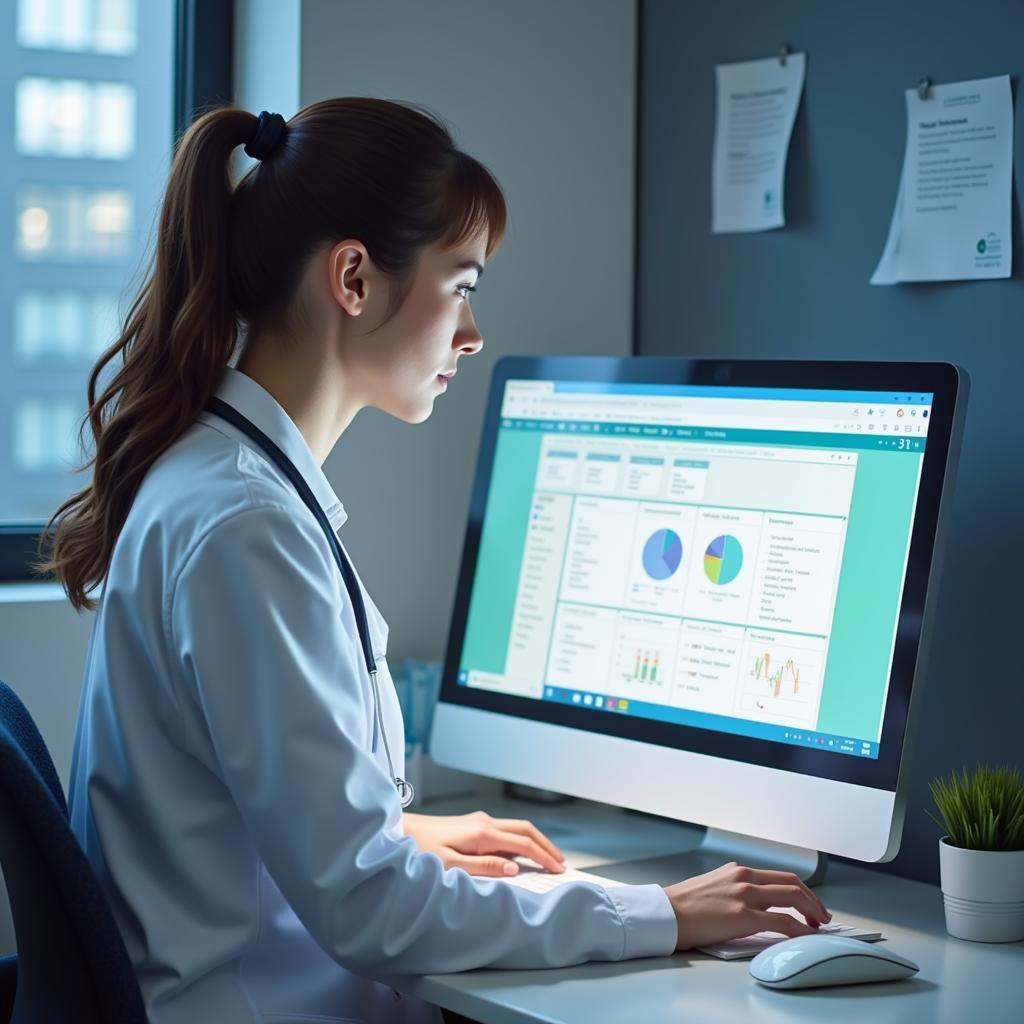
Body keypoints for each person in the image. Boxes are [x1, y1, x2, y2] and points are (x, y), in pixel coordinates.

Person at [39, 99, 831, 1024]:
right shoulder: (245, 527)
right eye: (461, 285)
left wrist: (397, 830)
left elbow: (229, 795)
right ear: (353, 278)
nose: (472, 333)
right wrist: (659, 912)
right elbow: (370, 909)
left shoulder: (214, 479)